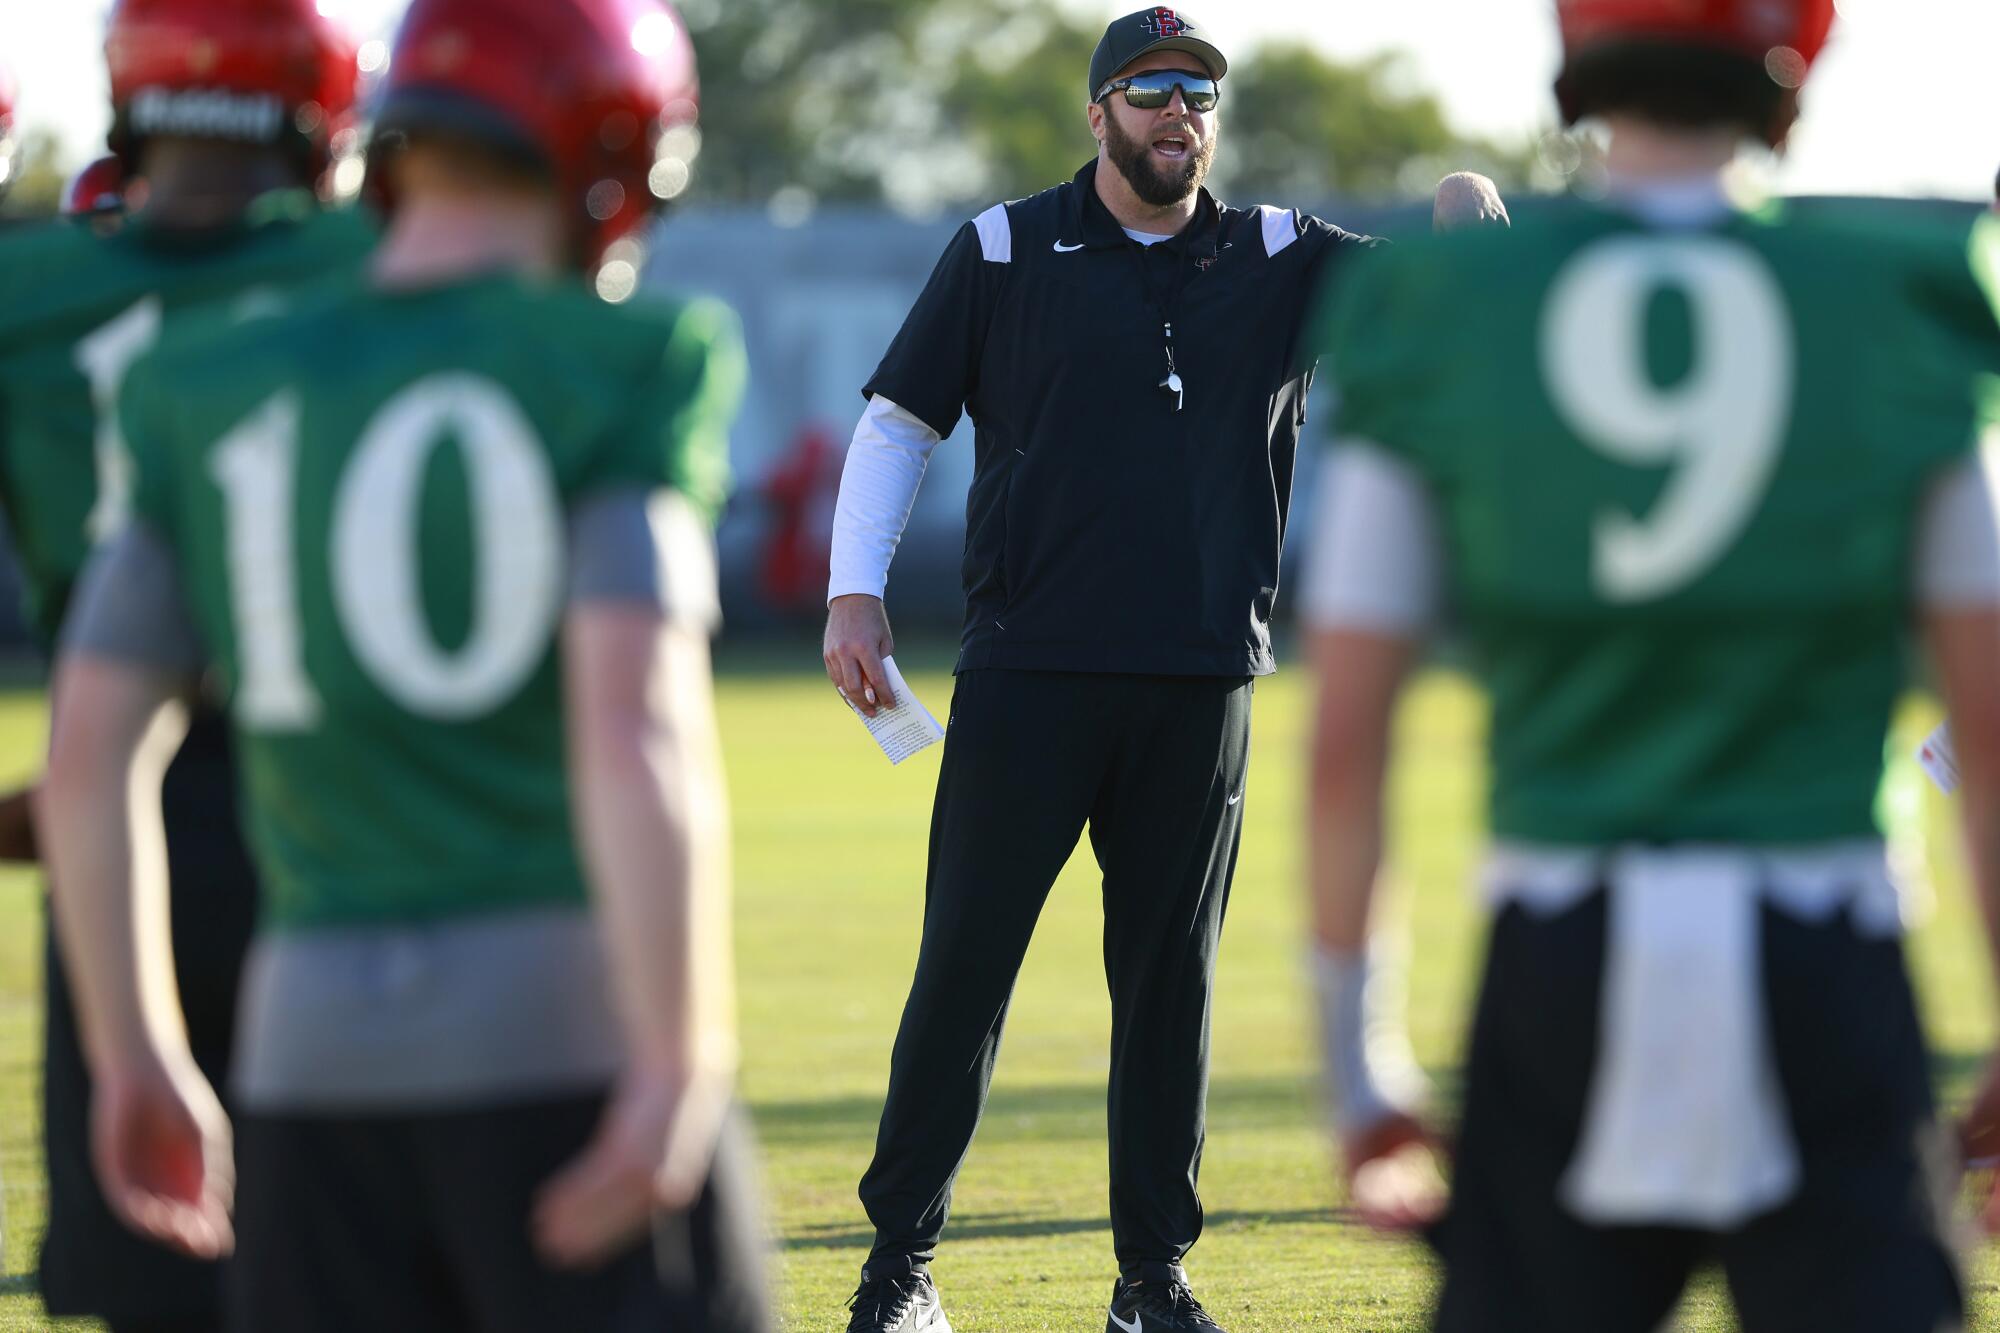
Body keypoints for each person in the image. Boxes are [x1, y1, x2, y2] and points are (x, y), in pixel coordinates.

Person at [38, 0, 765, 1329]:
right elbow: (636, 727)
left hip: (305, 1067)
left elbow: (87, 761)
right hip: (567, 1033)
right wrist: (677, 1061)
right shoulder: (628, 361)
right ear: (609, 150)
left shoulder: (201, 384)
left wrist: (134, 1053)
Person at [1301, 0, 2000, 1329]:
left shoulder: (1433, 304)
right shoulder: (1904, 301)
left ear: (1579, 50)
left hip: (1565, 953)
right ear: (1798, 56)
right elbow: (1993, 721)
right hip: (1829, 957)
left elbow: (1348, 743)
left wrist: (1356, 1064)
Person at [822, 9, 1503, 1331]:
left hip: (1198, 679)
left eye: (1197, 91)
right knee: (963, 965)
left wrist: (1470, 215)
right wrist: (857, 590)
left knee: (1168, 986)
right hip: (1029, 670)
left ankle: (1150, 1280)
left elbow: (1440, 303)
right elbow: (900, 418)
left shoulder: (1280, 253)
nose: (1178, 109)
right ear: (1098, 112)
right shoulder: (1009, 246)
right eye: (1149, 89)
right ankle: (898, 1265)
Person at [0, 3, 371, 1325]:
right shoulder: (384, 260)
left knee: (161, 1265)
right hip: (359, 807)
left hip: (114, 815)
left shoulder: (25, 294)